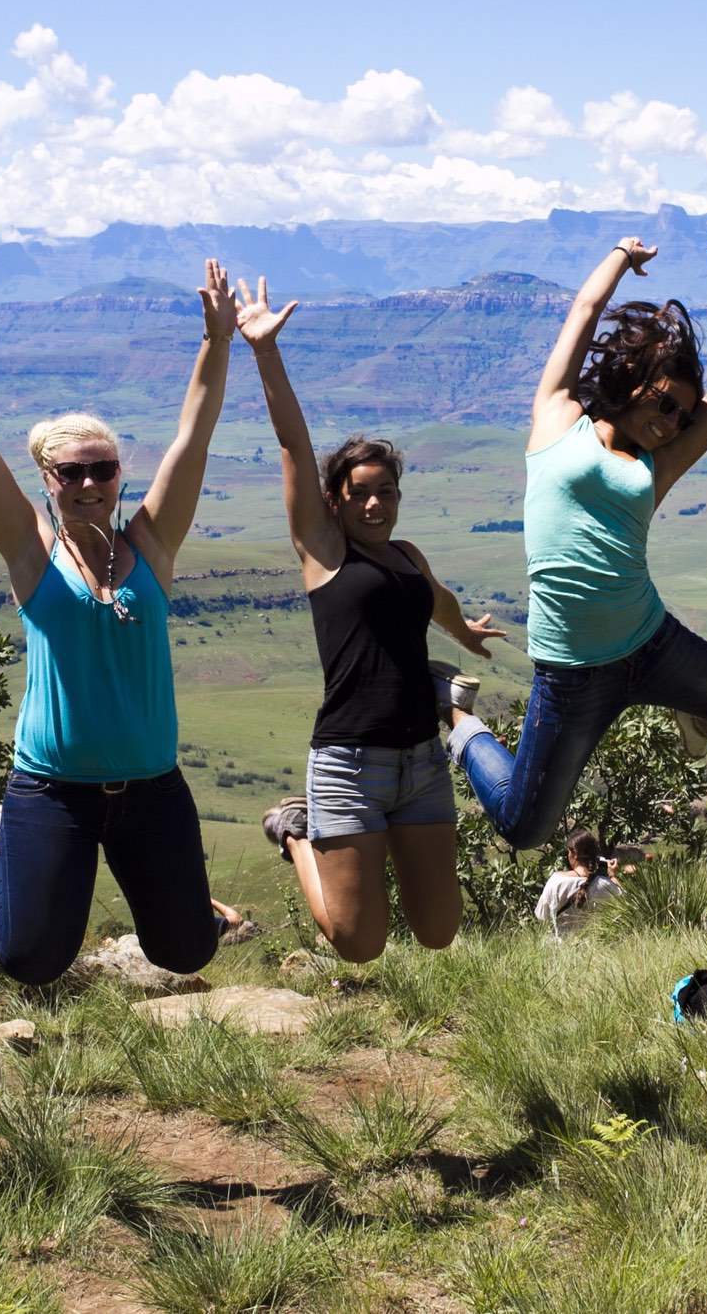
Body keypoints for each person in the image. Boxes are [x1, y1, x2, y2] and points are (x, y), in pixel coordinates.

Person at [0, 263, 234, 987]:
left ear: (121, 474)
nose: (90, 484)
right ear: (47, 479)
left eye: (104, 469)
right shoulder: (33, 554)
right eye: (72, 472)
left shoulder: (152, 544)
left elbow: (195, 433)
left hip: (152, 784)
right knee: (32, 958)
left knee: (187, 950)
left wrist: (216, 341)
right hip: (51, 788)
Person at [446, 234, 707, 852]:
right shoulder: (556, 417)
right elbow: (584, 313)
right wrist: (622, 256)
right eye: (665, 403)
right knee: (524, 829)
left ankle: (682, 706)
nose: (674, 421)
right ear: (631, 378)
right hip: (572, 674)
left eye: (683, 414)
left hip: (649, 645)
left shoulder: (660, 461)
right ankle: (459, 724)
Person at [235, 278, 507, 961]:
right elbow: (295, 445)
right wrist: (266, 352)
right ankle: (296, 834)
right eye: (363, 493)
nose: (378, 504)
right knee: (359, 943)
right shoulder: (325, 553)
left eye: (388, 490)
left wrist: (464, 633)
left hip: (420, 760)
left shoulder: (409, 554)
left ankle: (312, 835)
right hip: (348, 764)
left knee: (439, 931)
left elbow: (434, 597)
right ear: (337, 500)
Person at [532, 828, 625, 939]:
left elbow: (541, 916)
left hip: (558, 951)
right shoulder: (604, 885)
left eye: (568, 852)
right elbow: (625, 903)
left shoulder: (556, 880)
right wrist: (613, 876)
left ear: (574, 854)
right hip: (594, 951)